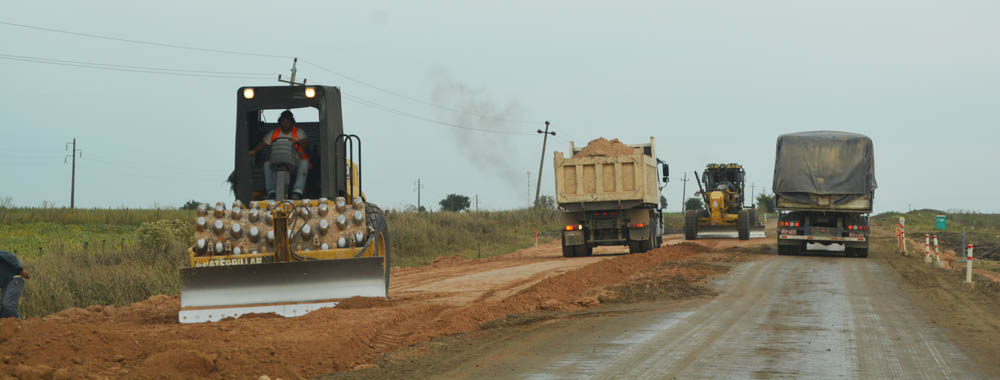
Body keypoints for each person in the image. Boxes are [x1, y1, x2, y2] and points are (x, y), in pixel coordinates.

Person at [249, 110, 311, 200]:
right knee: (266, 165)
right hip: (276, 161)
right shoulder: (274, 133)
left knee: (305, 163)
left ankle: (297, 191)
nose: (286, 124)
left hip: (295, 162)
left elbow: (305, 144)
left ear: (292, 122)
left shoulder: (298, 132)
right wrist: (254, 151)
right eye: (283, 121)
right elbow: (263, 143)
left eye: (288, 121)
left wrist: (299, 141)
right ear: (280, 122)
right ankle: (271, 191)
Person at [0, 250, 29, 319]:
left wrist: (20, 270)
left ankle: (21, 326)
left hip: (14, 279)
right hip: (5, 285)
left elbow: (11, 257)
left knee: (8, 305)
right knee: (4, 311)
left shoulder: (2, 254)